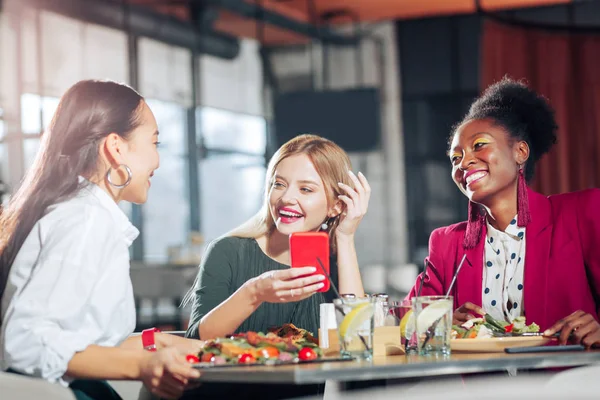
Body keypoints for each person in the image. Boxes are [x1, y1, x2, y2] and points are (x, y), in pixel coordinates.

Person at [0, 80, 203, 400]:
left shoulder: (84, 214)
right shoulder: (85, 220)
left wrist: (160, 343)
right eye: (154, 143)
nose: (157, 161)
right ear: (116, 147)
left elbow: (78, 343)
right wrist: (141, 366)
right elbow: (27, 342)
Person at [406, 77, 600, 348]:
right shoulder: (447, 243)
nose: (464, 162)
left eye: (479, 145)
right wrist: (442, 322)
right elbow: (404, 324)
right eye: (455, 158)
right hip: (481, 388)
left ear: (520, 151)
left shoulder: (582, 214)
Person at [183, 133, 370, 399]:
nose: (286, 198)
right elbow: (197, 341)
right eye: (279, 184)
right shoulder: (228, 251)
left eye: (305, 189)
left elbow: (357, 341)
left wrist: (346, 236)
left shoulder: (337, 263)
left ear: (335, 206)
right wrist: (255, 291)